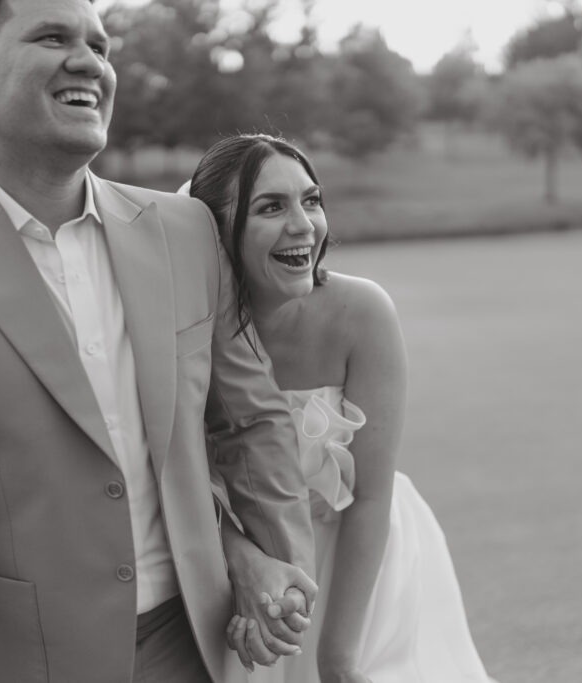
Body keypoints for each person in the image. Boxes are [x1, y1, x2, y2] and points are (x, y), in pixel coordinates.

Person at [0, 2, 316, 682]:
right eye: (52, 37)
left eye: (99, 45)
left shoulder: (188, 233)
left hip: (200, 648)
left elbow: (252, 422)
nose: (89, 61)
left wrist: (276, 568)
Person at [188, 134, 494, 683]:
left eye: (311, 199)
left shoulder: (362, 312)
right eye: (271, 207)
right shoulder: (187, 331)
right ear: (215, 231)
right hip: (244, 578)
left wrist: (338, 656)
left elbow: (372, 494)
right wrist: (237, 560)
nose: (304, 224)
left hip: (363, 566)